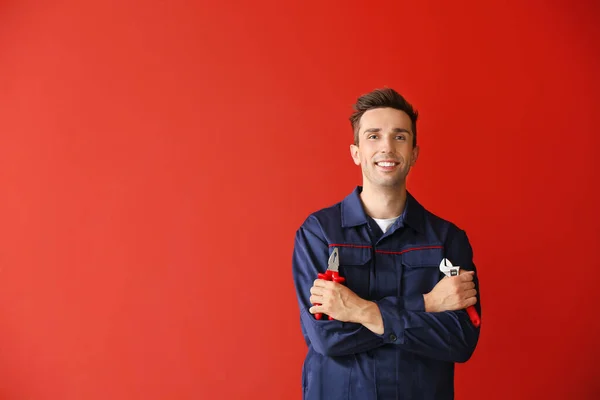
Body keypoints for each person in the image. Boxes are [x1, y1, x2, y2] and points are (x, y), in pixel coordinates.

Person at [291, 88, 481, 400]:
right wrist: (426, 305)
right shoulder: (319, 233)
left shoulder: (447, 239)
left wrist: (359, 310)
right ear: (356, 152)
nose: (387, 147)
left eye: (400, 137)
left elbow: (459, 340)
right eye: (374, 136)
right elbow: (326, 338)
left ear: (414, 153)